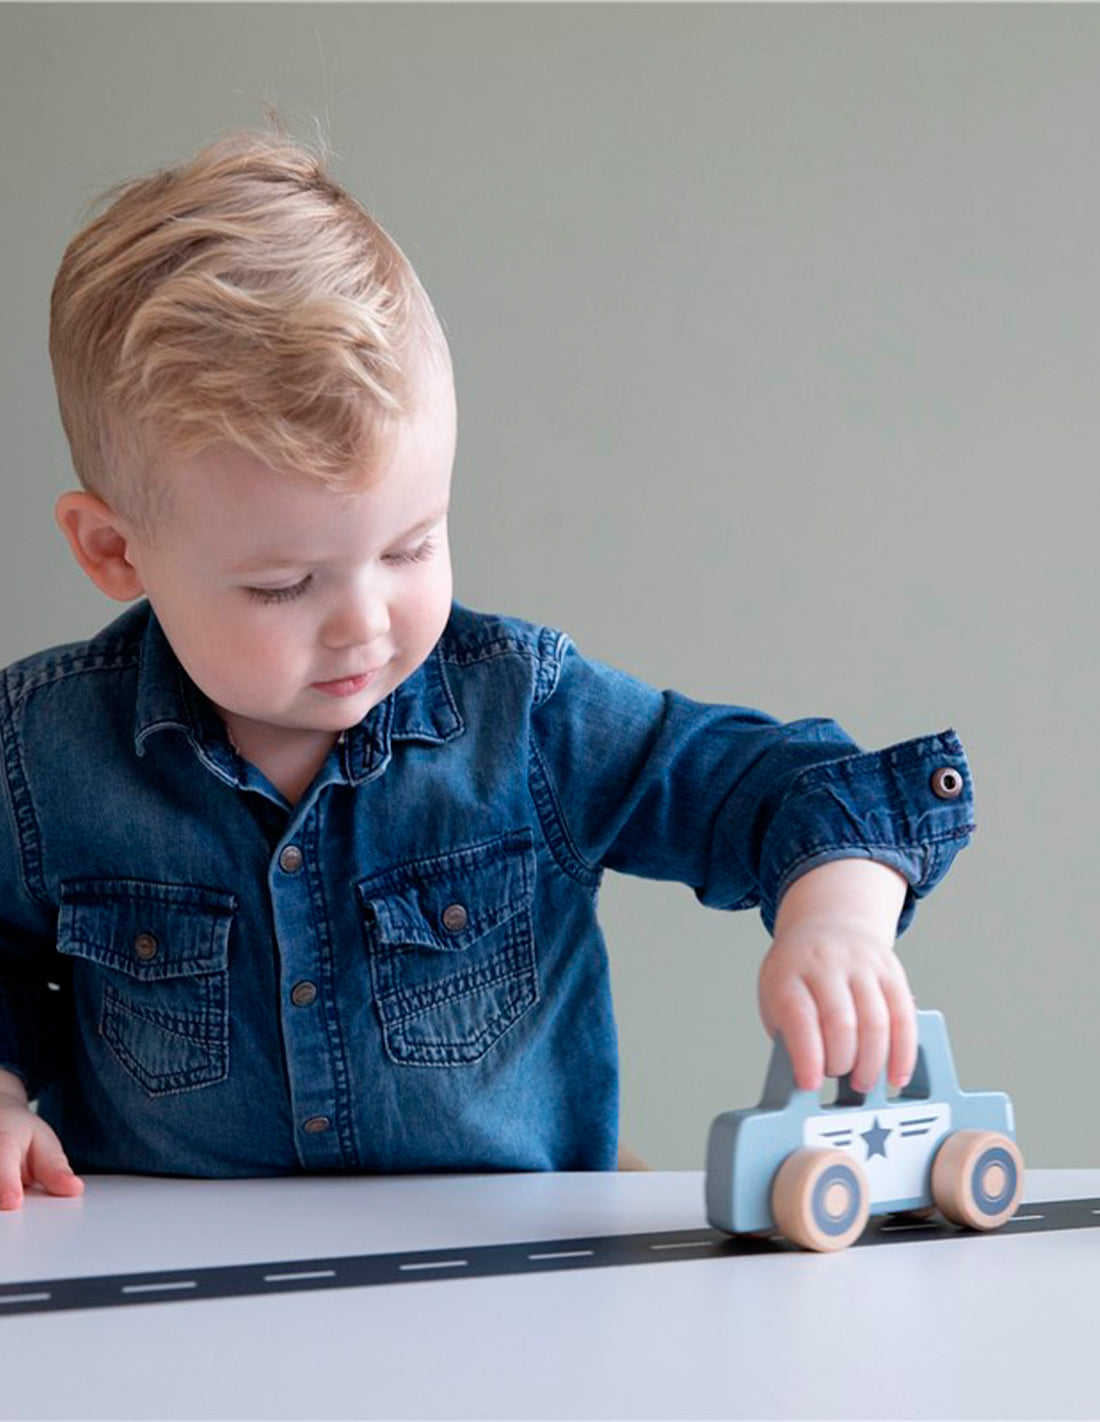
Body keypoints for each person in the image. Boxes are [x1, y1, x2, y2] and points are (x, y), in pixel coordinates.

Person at [0, 130, 974, 1211]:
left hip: (515, 1276)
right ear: (113, 551)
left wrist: (834, 918)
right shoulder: (45, 756)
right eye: (282, 586)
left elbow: (774, 785)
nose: (362, 624)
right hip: (173, 1285)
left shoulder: (524, 717)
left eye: (411, 545)